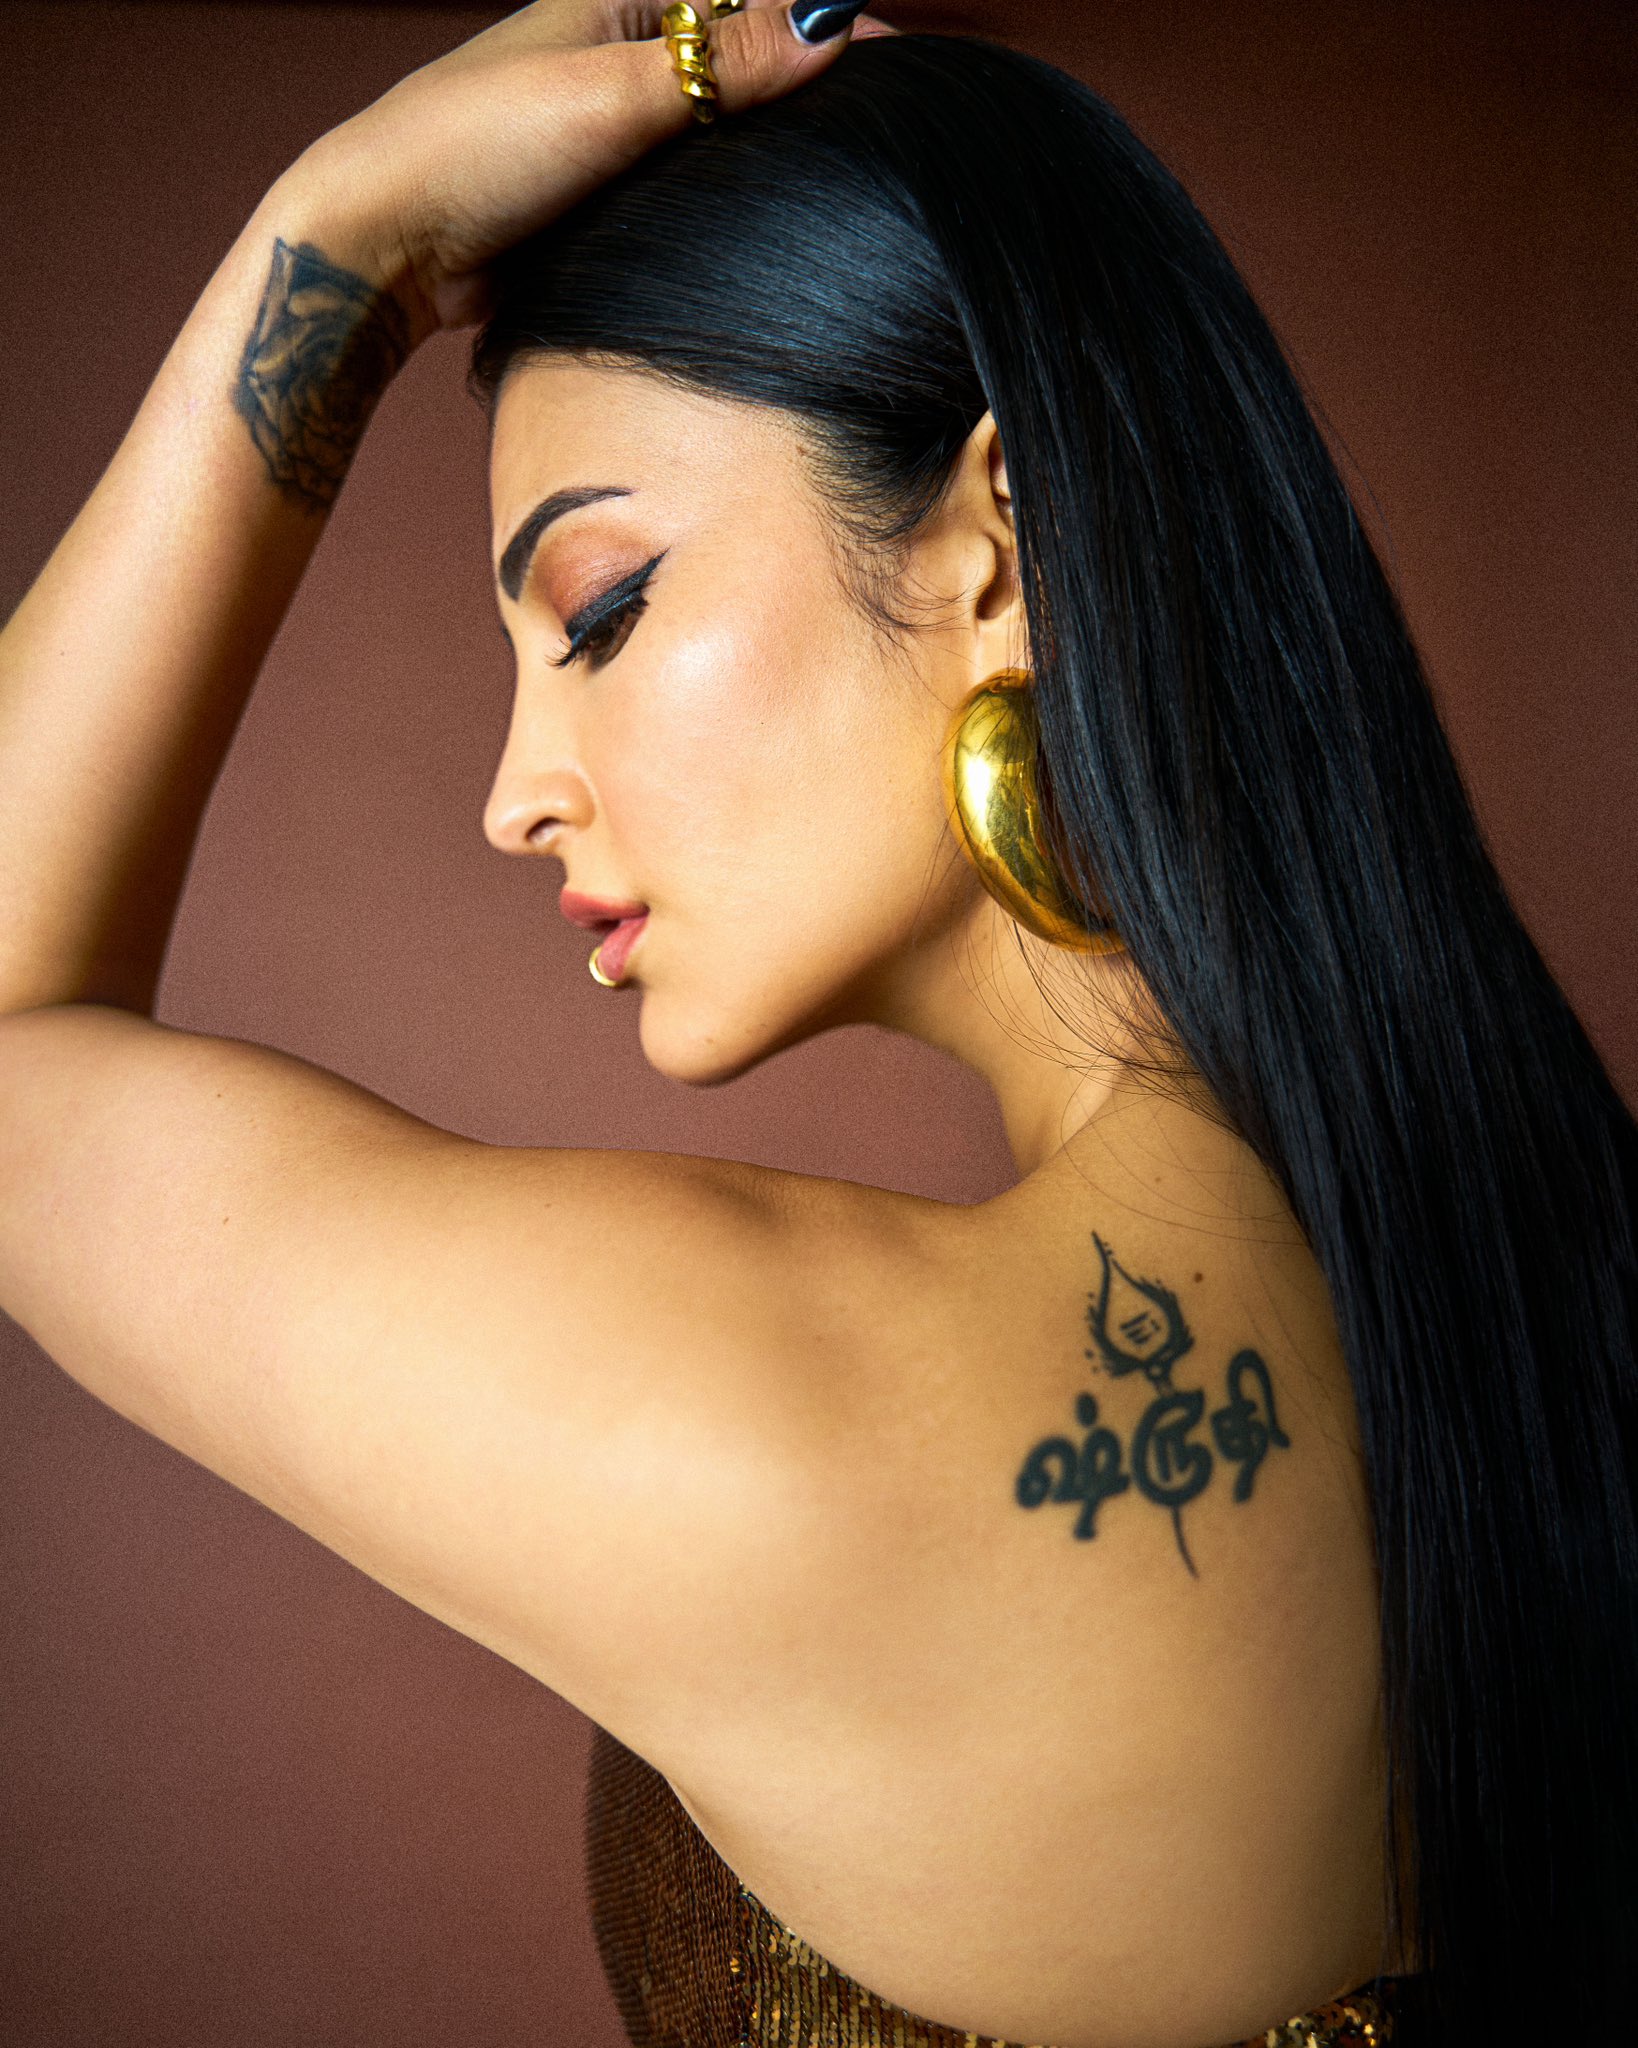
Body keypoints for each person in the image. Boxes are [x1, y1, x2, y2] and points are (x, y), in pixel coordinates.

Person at [0, 1, 1633, 2042]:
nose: (513, 792)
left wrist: (344, 233)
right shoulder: (1551, 1304)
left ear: (1000, 545)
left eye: (600, 611)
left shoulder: (795, 1419)